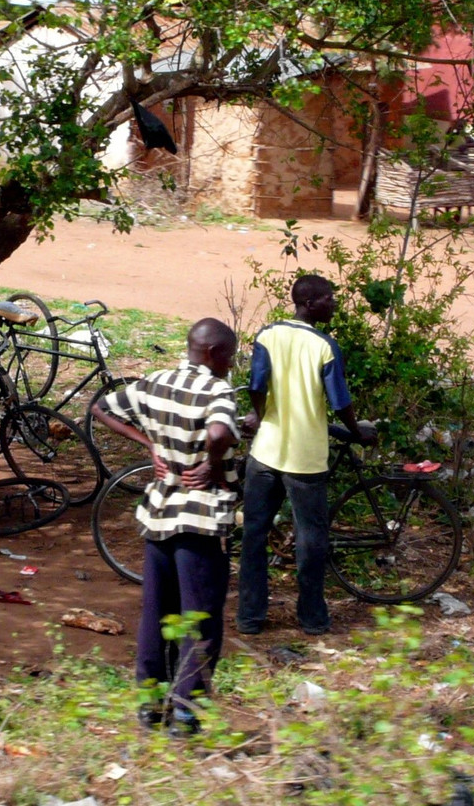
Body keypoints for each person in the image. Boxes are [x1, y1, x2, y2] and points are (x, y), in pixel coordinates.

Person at [90, 318, 241, 736]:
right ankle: (186, 714)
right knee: (200, 619)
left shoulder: (155, 381)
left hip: (159, 515)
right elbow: (216, 430)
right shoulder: (217, 390)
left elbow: (100, 408)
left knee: (157, 614)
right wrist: (212, 460)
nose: (231, 363)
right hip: (200, 520)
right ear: (213, 353)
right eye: (229, 355)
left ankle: (149, 705)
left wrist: (150, 444)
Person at [237, 274, 373, 637]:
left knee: (253, 535)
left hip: (265, 452)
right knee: (312, 538)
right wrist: (358, 433)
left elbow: (256, 386)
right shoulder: (325, 346)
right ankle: (312, 616)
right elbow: (340, 401)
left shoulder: (267, 335)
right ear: (310, 303)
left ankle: (250, 616)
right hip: (306, 457)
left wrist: (261, 414)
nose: (334, 303)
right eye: (329, 298)